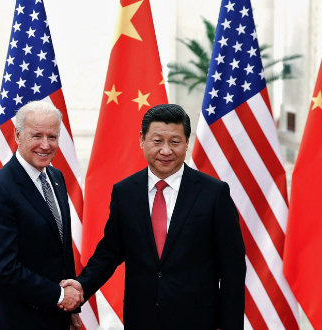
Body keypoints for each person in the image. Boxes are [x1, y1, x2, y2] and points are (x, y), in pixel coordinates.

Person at [63, 104, 246, 329]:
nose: (166, 150)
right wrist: (82, 286)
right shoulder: (125, 192)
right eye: (157, 141)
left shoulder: (214, 193)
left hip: (198, 320)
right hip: (141, 319)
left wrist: (229, 325)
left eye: (175, 142)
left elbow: (233, 268)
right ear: (142, 140)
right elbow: (109, 252)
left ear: (187, 143)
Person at [0, 101, 83, 330]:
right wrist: (58, 295)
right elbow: (1, 267)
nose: (45, 145)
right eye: (36, 135)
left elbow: (61, 249)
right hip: (17, 320)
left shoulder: (56, 177)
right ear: (17, 134)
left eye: (52, 137)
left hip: (57, 317)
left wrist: (71, 308)